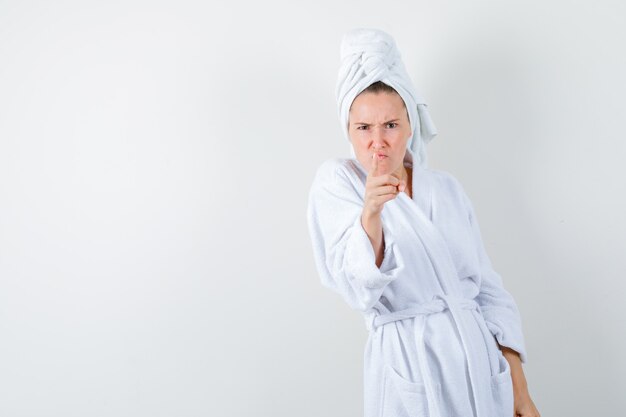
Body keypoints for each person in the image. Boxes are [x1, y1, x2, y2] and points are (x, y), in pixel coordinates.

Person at [306, 28, 540, 417]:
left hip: (479, 368)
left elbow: (488, 292)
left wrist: (518, 389)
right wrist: (371, 214)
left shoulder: (445, 189)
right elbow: (357, 288)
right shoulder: (338, 183)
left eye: (391, 125)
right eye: (364, 127)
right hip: (409, 368)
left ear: (410, 125)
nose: (377, 141)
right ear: (348, 131)